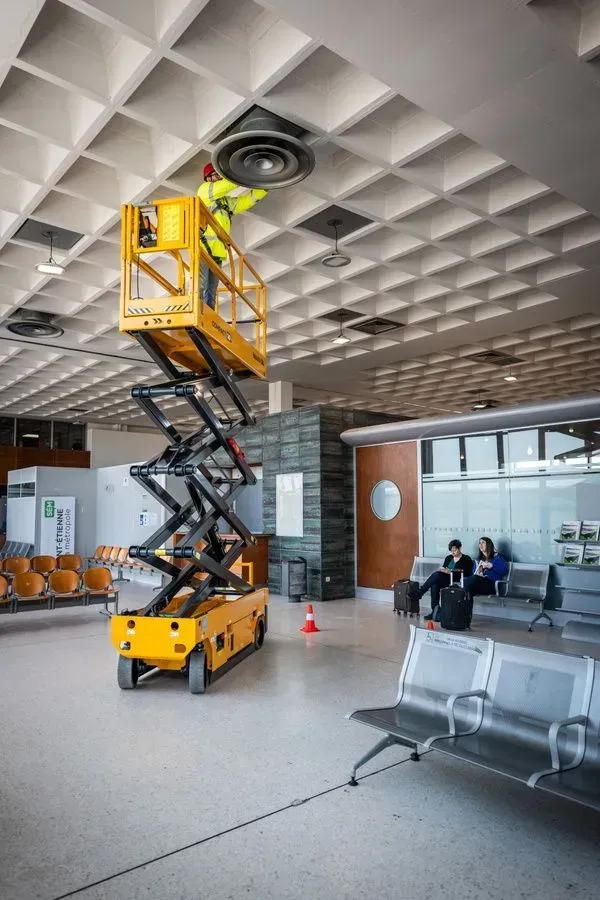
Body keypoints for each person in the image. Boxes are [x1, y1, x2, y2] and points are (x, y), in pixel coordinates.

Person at [197, 163, 267, 310]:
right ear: (208, 177)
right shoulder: (204, 191)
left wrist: (264, 186)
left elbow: (247, 200)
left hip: (217, 253)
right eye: (217, 175)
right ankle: (199, 315)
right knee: (202, 288)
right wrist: (242, 173)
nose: (220, 178)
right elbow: (226, 186)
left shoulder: (225, 202)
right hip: (202, 249)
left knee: (210, 292)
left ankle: (207, 318)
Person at [417, 539, 474, 621]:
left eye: (455, 550)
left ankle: (421, 592)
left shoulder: (466, 558)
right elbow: (444, 567)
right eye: (451, 551)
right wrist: (444, 570)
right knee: (435, 583)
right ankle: (435, 611)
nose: (453, 552)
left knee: (436, 577)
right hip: (446, 578)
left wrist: (451, 571)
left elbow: (468, 573)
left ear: (460, 548)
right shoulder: (449, 558)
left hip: (456, 579)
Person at [462, 536, 509, 624]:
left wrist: (491, 566)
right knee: (467, 591)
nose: (481, 545)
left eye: (483, 543)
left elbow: (504, 570)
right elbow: (474, 574)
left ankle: (463, 617)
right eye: (479, 543)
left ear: (489, 545)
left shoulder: (496, 557)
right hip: (479, 584)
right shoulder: (478, 559)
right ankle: (465, 619)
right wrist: (479, 571)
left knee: (468, 584)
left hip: (492, 585)